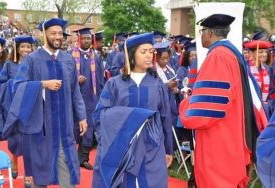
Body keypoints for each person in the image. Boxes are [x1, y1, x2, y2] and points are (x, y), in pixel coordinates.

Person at [179, 14, 268, 187]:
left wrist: (186, 104)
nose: (201, 35)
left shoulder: (218, 56)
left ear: (210, 33)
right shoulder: (231, 53)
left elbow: (209, 107)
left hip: (219, 136)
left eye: (202, 31)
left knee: (218, 180)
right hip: (232, 128)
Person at [2, 18, 88, 188]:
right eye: (53, 33)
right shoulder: (32, 60)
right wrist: (42, 84)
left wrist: (82, 116)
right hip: (41, 129)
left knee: (68, 174)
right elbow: (17, 86)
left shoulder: (68, 60)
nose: (58, 37)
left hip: (65, 128)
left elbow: (75, 92)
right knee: (40, 173)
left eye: (60, 34)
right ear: (44, 35)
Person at [92, 33, 173, 187]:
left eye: (151, 51)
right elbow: (99, 115)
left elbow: (165, 118)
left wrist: (168, 149)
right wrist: (129, 117)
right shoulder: (114, 84)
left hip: (151, 147)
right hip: (122, 147)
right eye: (143, 52)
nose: (148, 55)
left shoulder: (158, 85)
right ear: (131, 55)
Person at [0, 35, 34, 180]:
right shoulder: (10, 64)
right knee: (15, 137)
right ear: (17, 48)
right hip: (13, 106)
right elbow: (0, 83)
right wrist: (11, 84)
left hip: (31, 106)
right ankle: (14, 161)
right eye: (22, 47)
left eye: (28, 47)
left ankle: (29, 172)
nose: (25, 50)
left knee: (30, 139)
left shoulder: (35, 63)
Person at [71, 27, 104, 170]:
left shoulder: (95, 57)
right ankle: (70, 158)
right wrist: (75, 79)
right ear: (79, 39)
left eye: (88, 38)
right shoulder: (70, 56)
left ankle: (83, 159)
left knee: (89, 128)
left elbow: (101, 78)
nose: (86, 41)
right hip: (74, 98)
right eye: (83, 38)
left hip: (92, 98)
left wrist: (101, 97)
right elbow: (63, 76)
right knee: (73, 128)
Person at [244, 40, 274, 118]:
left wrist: (268, 105)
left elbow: (271, 92)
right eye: (260, 52)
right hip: (248, 108)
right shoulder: (244, 68)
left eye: (265, 52)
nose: (264, 54)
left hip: (265, 109)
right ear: (251, 53)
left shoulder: (268, 69)